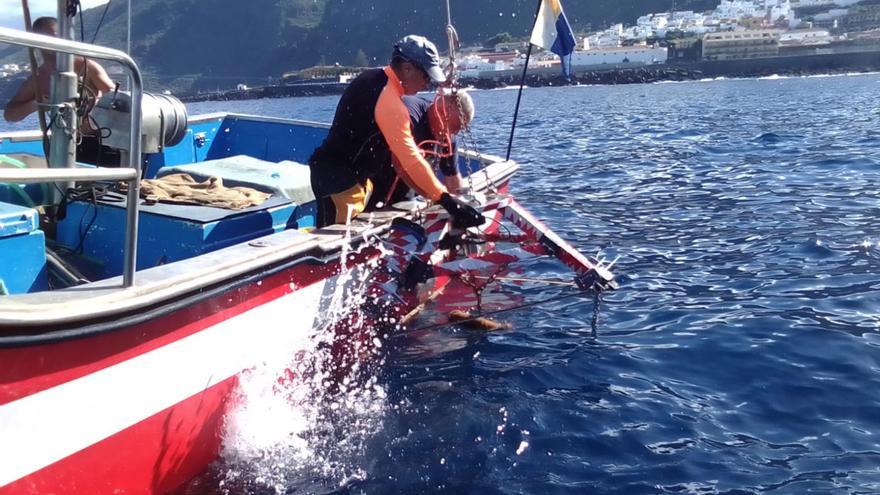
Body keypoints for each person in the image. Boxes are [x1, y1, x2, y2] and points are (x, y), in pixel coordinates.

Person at [308, 34, 482, 229]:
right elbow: (409, 158)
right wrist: (445, 199)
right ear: (407, 68)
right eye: (426, 75)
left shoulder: (375, 79)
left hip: (349, 178)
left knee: (345, 236)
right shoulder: (388, 100)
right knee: (334, 241)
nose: (427, 83)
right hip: (337, 179)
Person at [4, 17, 117, 165]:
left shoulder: (86, 67)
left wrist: (97, 100)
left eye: (54, 37)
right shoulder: (37, 80)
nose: (50, 42)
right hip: (63, 145)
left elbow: (116, 97)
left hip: (101, 141)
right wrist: (37, 104)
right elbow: (10, 115)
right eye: (44, 38)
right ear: (36, 42)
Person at [369, 90, 475, 209]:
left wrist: (460, 204)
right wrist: (441, 199)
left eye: (458, 130)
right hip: (372, 176)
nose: (453, 134)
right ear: (440, 110)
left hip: (405, 191)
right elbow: (399, 163)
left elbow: (452, 177)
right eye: (454, 127)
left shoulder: (449, 138)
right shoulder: (409, 114)